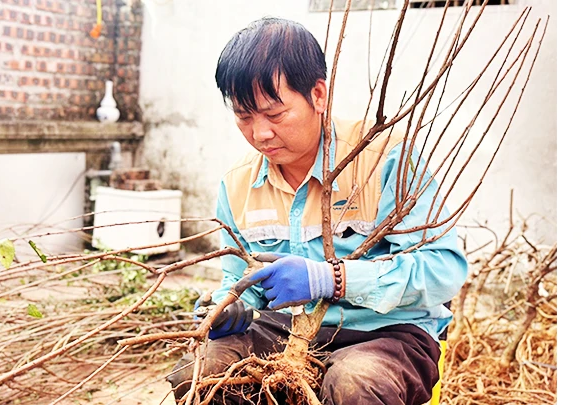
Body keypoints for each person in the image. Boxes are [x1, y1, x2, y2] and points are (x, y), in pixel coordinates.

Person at [167, 16, 468, 405]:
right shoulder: (237, 184)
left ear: (319, 95)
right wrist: (228, 307)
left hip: (388, 332)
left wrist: (333, 280)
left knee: (354, 384)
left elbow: (443, 269)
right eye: (244, 116)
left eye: (274, 114)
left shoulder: (384, 159)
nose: (260, 134)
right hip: (285, 330)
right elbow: (239, 278)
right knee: (203, 372)